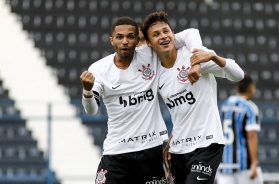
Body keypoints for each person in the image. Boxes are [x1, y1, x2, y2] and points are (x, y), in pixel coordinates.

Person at [80, 16, 203, 184]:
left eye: (130, 36)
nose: (125, 41)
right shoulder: (99, 69)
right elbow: (91, 110)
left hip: (150, 150)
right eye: (120, 37)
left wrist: (197, 58)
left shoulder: (150, 55)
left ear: (138, 40)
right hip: (116, 151)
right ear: (112, 40)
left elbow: (191, 33)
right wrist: (87, 90)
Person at [141, 11, 244, 184]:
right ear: (149, 44)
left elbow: (238, 75)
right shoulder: (155, 72)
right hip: (178, 149)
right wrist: (171, 139)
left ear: (173, 34)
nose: (163, 36)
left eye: (166, 31)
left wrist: (213, 56)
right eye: (156, 34)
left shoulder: (194, 56)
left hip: (207, 143)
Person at [217, 75, 263, 184]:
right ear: (252, 88)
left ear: (236, 88)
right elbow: (251, 135)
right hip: (243, 165)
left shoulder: (223, 106)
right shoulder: (249, 108)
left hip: (224, 164)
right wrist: (254, 164)